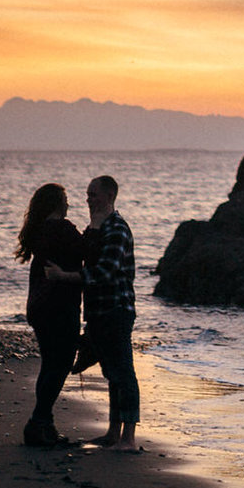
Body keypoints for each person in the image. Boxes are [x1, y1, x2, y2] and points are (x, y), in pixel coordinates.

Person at [14, 182, 85, 447]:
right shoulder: (63, 230)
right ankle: (37, 421)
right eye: (66, 200)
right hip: (59, 306)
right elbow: (88, 251)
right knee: (60, 364)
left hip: (39, 305)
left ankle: (45, 424)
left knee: (50, 364)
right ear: (58, 203)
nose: (69, 204)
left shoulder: (39, 230)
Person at [79, 173, 139, 450]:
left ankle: (128, 437)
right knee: (112, 374)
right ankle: (113, 433)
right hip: (98, 310)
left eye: (93, 194)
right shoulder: (99, 227)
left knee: (123, 372)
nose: (88, 198)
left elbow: (104, 271)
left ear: (109, 197)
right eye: (88, 194)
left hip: (116, 308)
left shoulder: (117, 228)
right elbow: (86, 253)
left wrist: (68, 277)